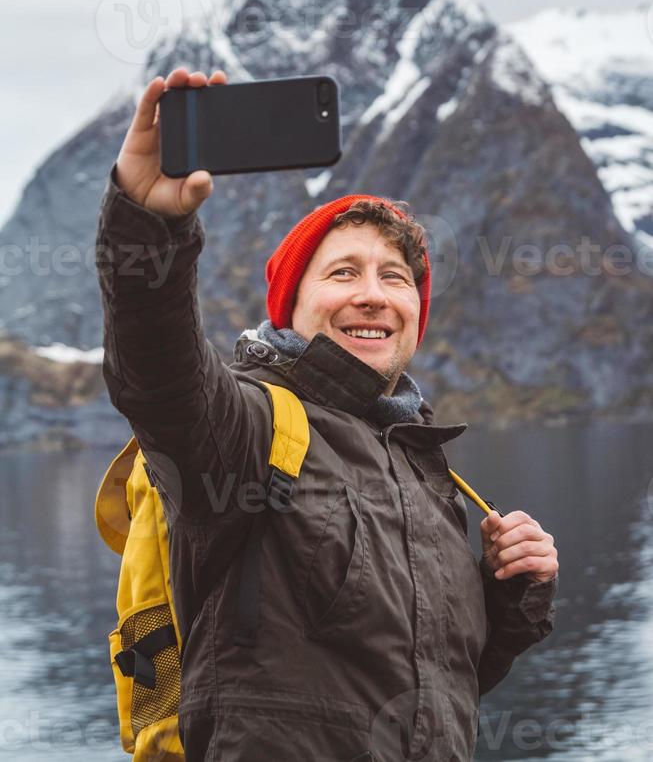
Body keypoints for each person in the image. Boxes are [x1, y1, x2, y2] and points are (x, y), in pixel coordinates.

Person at [96, 66, 559, 762]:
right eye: (342, 273)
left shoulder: (426, 472)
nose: (372, 295)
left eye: (393, 278)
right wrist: (150, 223)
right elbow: (157, 374)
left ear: (414, 315)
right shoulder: (244, 430)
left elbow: (435, 690)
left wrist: (514, 599)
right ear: (292, 308)